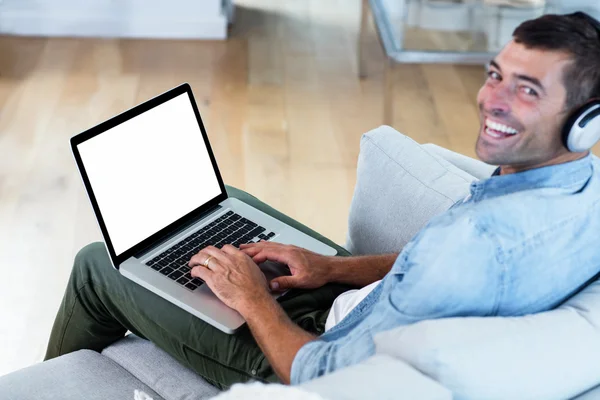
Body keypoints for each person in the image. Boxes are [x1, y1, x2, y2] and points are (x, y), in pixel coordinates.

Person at [45, 12, 600, 388]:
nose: (491, 100)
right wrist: (332, 267)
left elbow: (318, 376)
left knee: (98, 262)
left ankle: (43, 388)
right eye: (495, 75)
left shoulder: (472, 246)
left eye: (527, 90)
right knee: (218, 207)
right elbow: (424, 272)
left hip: (307, 350)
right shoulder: (579, 192)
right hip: (359, 306)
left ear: (585, 121)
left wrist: (254, 301)